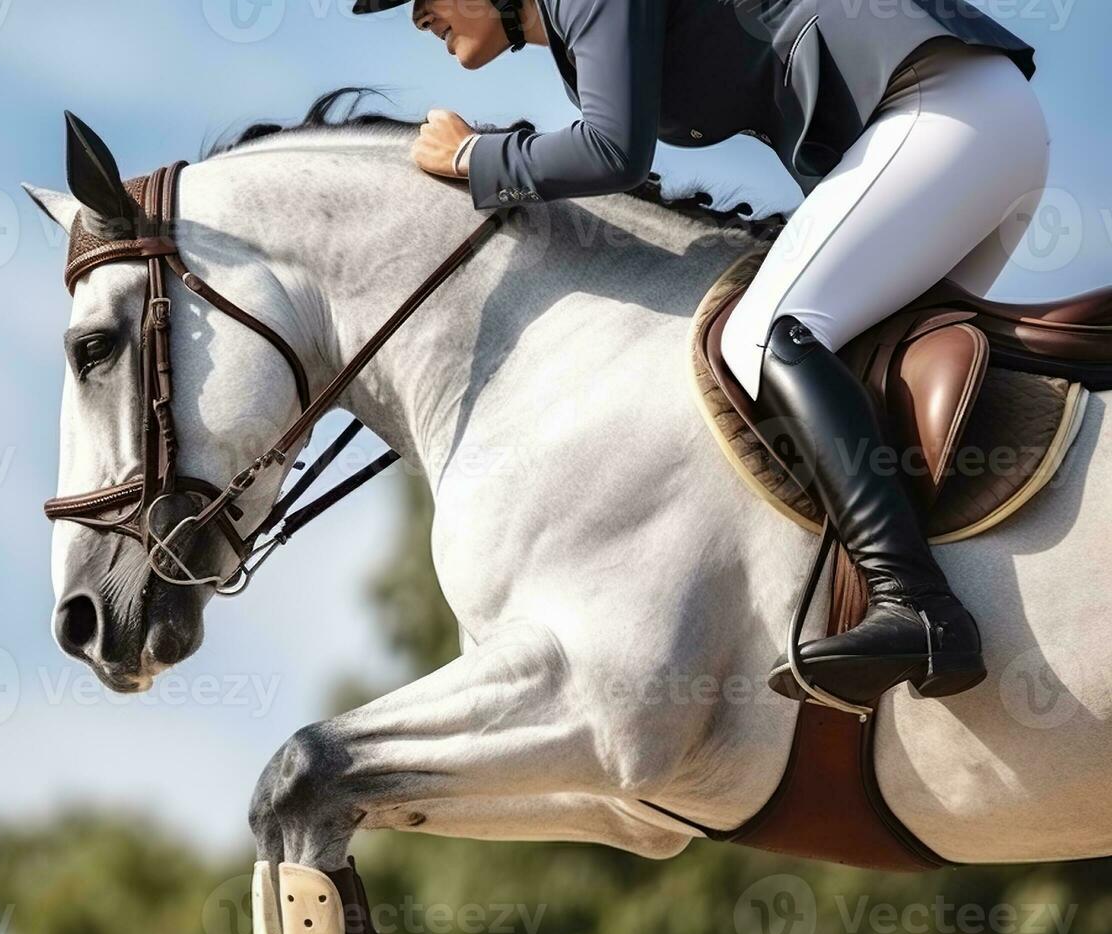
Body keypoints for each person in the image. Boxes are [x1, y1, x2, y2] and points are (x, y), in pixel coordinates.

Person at [361, 0, 1048, 703]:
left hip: (943, 113)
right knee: (864, 365)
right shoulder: (573, 39)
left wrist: (475, 155)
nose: (418, 16)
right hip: (974, 125)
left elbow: (611, 152)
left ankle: (916, 605)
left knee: (768, 332)